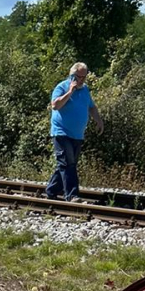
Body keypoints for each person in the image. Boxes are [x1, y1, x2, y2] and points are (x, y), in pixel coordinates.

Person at [46, 62, 103, 202]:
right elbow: (55, 105)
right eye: (79, 77)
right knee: (67, 163)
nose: (81, 80)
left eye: (84, 77)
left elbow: (91, 107)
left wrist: (98, 120)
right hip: (61, 132)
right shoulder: (62, 87)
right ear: (72, 76)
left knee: (67, 164)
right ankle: (72, 195)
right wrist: (70, 92)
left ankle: (52, 190)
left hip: (77, 135)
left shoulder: (85, 90)